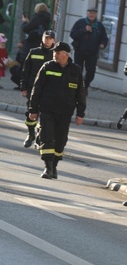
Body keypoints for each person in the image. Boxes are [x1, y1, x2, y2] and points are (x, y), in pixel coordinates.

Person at [28, 42, 86, 179]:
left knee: (60, 141)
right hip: (47, 110)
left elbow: (81, 93)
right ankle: (47, 167)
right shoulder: (47, 67)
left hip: (65, 112)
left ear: (66, 55)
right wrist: (33, 109)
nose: (54, 54)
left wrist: (80, 113)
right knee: (47, 137)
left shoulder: (76, 70)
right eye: (54, 52)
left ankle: (54, 166)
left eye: (57, 53)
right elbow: (37, 89)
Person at [20, 29, 56, 148]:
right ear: (42, 38)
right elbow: (25, 71)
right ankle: (30, 134)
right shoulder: (33, 52)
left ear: (54, 40)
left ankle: (40, 137)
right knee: (31, 112)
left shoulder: (56, 55)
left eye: (50, 38)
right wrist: (23, 87)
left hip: (49, 90)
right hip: (33, 88)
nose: (47, 40)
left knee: (45, 115)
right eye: (46, 38)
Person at [69, 7, 109, 91]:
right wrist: (84, 30)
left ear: (96, 14)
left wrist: (102, 44)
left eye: (93, 13)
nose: (91, 14)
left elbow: (104, 38)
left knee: (91, 71)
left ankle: (85, 86)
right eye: (90, 12)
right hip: (80, 50)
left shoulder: (99, 26)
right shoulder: (80, 23)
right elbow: (73, 34)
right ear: (87, 13)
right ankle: (78, 88)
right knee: (78, 70)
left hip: (92, 52)